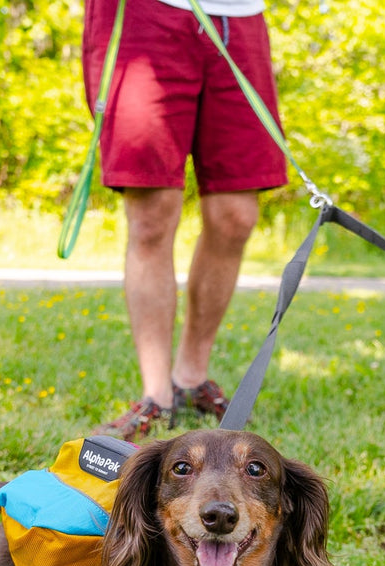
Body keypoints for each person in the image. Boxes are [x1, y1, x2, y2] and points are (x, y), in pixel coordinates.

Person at [82, 0, 287, 440]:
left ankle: (191, 379)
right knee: (152, 213)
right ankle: (156, 395)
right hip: (147, 16)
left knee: (236, 215)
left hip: (240, 16)